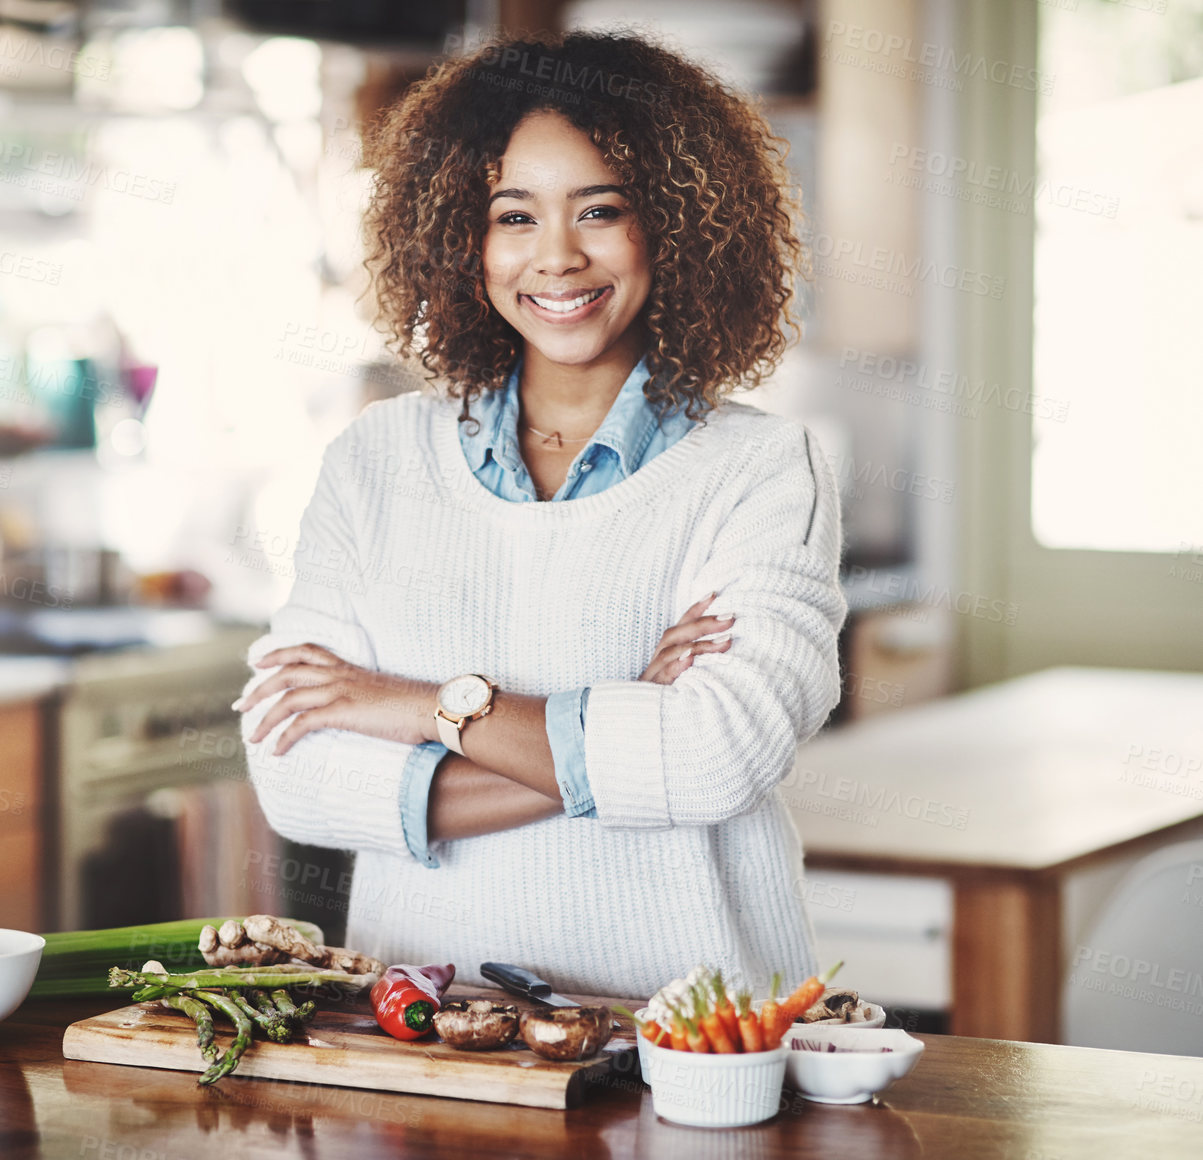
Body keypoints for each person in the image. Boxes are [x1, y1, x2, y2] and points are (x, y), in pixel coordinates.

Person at [233, 30, 845, 1000]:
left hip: (696, 1042)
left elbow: (710, 757)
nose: (556, 256)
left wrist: (412, 704)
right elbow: (298, 776)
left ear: (676, 225)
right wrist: (620, 709)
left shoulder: (765, 468)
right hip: (428, 1034)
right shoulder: (374, 459)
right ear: (461, 239)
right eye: (512, 214)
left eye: (600, 209)